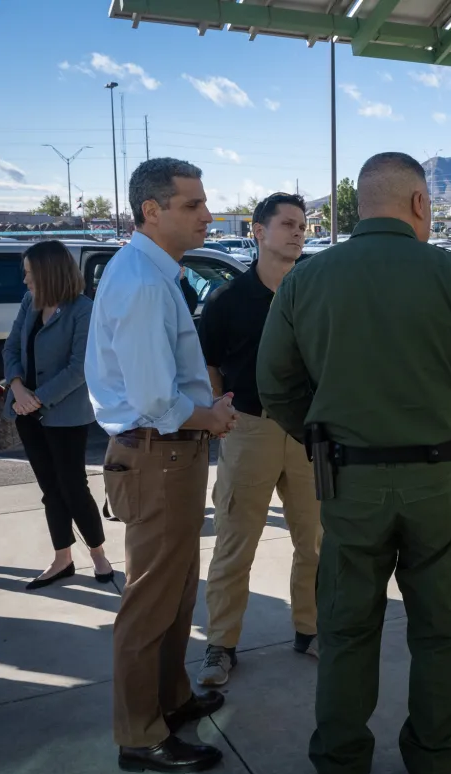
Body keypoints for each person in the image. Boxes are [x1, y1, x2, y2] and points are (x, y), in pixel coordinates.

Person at [257, 152, 451, 774]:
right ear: (417, 206)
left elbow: (274, 386)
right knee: (441, 631)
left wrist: (322, 429)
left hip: (348, 481)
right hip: (438, 482)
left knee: (347, 632)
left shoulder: (307, 280)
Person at [86, 158, 239, 774]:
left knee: (176, 587)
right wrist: (210, 417)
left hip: (166, 452)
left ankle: (169, 699)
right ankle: (139, 733)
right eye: (192, 205)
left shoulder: (151, 272)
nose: (207, 215)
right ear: (152, 211)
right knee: (152, 598)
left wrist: (203, 410)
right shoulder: (147, 283)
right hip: (157, 452)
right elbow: (155, 398)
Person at [197, 193, 319, 687]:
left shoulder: (313, 291)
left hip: (307, 431)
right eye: (287, 224)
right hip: (249, 428)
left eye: (302, 225)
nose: (297, 232)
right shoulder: (228, 300)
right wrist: (219, 406)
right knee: (235, 542)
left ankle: (310, 631)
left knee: (314, 541)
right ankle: (220, 645)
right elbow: (207, 360)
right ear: (258, 231)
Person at [2, 240, 114, 590]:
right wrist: (18, 388)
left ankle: (98, 553)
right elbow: (10, 348)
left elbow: (79, 366)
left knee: (72, 487)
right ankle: (62, 558)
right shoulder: (29, 303)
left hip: (64, 415)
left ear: (49, 273)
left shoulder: (83, 309)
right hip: (27, 411)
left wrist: (37, 399)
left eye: (30, 274)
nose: (25, 281)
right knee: (50, 489)